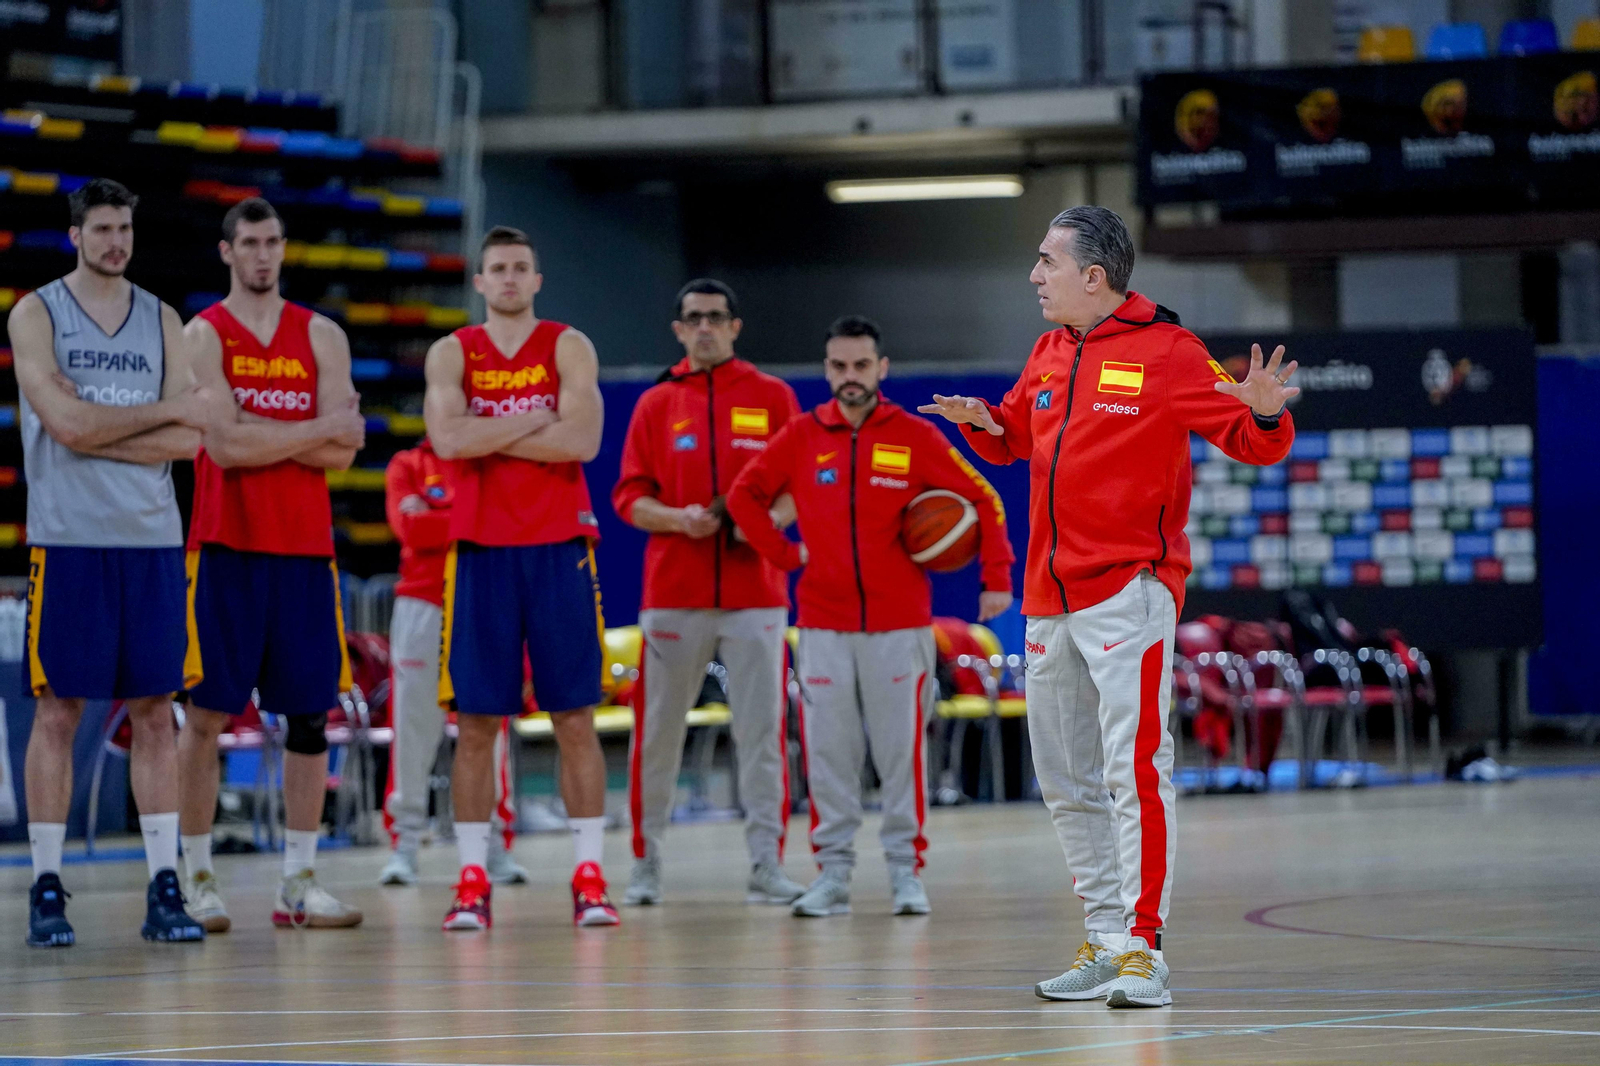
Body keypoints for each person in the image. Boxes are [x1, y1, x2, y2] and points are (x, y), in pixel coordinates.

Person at [920, 205, 1298, 1008]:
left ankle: (1145, 950)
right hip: (1047, 598)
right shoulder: (1051, 349)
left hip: (1130, 591)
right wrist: (986, 423)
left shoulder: (1170, 351)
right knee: (1062, 776)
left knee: (1137, 770)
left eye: (1046, 262)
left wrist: (1264, 407)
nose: (1034, 276)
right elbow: (1020, 432)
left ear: (1094, 276)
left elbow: (1254, 440)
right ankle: (1104, 936)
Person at [726, 316, 1015, 918]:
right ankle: (833, 875)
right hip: (824, 626)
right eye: (839, 366)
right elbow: (743, 497)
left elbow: (984, 498)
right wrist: (785, 555)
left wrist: (994, 579)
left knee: (899, 753)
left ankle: (906, 874)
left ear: (881, 369)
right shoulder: (803, 436)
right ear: (827, 369)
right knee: (828, 754)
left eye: (861, 366)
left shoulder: (912, 436)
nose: (850, 377)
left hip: (899, 625)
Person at [8, 178, 207, 946]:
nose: (116, 242)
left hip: (152, 541)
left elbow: (187, 444)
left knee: (158, 713)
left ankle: (165, 888)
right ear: (75, 235)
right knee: (58, 711)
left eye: (124, 228)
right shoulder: (37, 313)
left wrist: (97, 424)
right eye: (101, 229)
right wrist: (156, 413)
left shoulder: (162, 318)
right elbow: (62, 424)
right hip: (69, 540)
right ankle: (47, 886)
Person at [176, 197, 367, 932]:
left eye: (273, 243)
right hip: (224, 547)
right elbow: (222, 447)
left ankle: (300, 880)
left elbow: (344, 454)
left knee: (310, 719)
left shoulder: (321, 335)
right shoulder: (203, 335)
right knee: (206, 716)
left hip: (303, 553)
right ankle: (197, 877)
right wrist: (314, 427)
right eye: (250, 243)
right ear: (227, 252)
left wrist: (263, 431)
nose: (263, 255)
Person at [423, 225, 616, 931]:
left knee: (574, 718)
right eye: (497, 268)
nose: (508, 278)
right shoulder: (453, 352)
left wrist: (489, 428)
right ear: (479, 282)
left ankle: (590, 877)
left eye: (520, 268)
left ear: (537, 280)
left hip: (560, 548)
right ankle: (472, 880)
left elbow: (584, 440)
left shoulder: (568, 344)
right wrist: (535, 419)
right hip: (480, 550)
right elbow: (447, 441)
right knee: (475, 723)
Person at [612, 278, 805, 907]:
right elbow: (627, 499)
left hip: (757, 592)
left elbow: (801, 484)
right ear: (678, 329)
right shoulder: (655, 405)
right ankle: (645, 863)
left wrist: (767, 520)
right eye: (693, 318)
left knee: (762, 732)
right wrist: (679, 520)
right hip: (674, 591)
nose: (704, 327)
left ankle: (766, 864)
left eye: (716, 317)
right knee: (658, 729)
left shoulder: (772, 398)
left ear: (734, 325)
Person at [378, 439, 527, 887]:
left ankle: (496, 846)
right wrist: (474, 519)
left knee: (489, 729)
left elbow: (507, 528)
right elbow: (409, 529)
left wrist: (438, 519)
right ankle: (404, 845)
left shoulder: (490, 461)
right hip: (421, 605)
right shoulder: (407, 464)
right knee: (412, 727)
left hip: (484, 600)